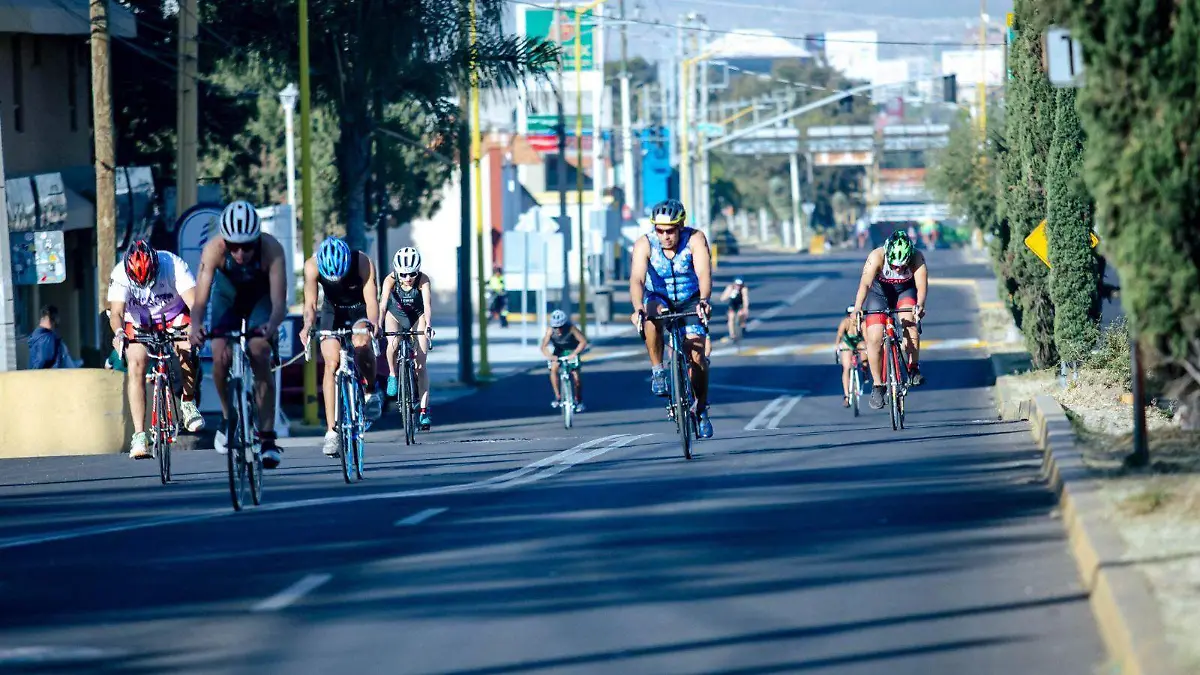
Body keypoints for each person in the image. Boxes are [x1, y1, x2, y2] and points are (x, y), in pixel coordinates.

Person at [189, 200, 288, 468]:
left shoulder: (272, 249)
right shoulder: (213, 250)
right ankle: (227, 416)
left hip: (260, 299)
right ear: (225, 242)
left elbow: (279, 303)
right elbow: (200, 299)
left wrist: (273, 325)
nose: (240, 252)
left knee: (259, 351)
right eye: (234, 246)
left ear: (257, 240)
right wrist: (195, 325)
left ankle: (267, 436)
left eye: (247, 246)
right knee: (221, 355)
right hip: (227, 298)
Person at [629, 198, 715, 439]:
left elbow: (703, 272)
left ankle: (701, 408)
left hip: (690, 298)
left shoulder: (695, 239)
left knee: (697, 355)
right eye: (660, 230)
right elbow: (636, 279)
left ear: (681, 226)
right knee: (650, 315)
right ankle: (658, 370)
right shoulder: (644, 244)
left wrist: (704, 300)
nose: (665, 236)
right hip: (660, 297)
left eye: (671, 230)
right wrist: (638, 308)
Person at [110, 241, 204, 459]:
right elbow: (116, 313)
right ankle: (139, 435)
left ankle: (188, 403)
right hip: (139, 320)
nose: (145, 286)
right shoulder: (120, 274)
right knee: (135, 364)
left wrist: (196, 327)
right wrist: (118, 333)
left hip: (172, 314)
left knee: (187, 348)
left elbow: (194, 303)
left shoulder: (173, 264)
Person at [300, 236, 383, 458]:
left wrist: (373, 324)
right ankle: (331, 432)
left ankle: (370, 391)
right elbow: (309, 304)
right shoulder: (312, 266)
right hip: (332, 310)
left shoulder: (362, 262)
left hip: (359, 308)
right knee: (331, 363)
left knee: (361, 343)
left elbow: (372, 301)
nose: (337, 282)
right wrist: (307, 326)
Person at [852, 230, 928, 410]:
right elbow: (865, 283)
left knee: (910, 323)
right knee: (874, 337)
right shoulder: (876, 256)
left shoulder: (917, 257)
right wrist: (857, 308)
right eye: (895, 266)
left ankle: (913, 368)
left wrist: (920, 305)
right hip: (880, 294)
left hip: (905, 292)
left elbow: (921, 286)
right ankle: (878, 386)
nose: (899, 269)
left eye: (903, 266)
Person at [380, 247, 434, 431]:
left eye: (412, 273)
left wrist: (428, 326)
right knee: (393, 344)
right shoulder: (390, 280)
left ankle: (424, 410)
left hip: (417, 316)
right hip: (395, 315)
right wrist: (378, 324)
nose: (407, 278)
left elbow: (427, 305)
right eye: (403, 274)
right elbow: (382, 305)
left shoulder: (423, 280)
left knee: (421, 363)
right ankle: (393, 375)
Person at [540, 309, 589, 411]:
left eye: (560, 327)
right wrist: (550, 356)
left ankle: (578, 399)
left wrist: (575, 353)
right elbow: (543, 347)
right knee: (553, 369)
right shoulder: (550, 331)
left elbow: (583, 341)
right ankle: (557, 396)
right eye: (556, 327)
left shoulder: (571, 328)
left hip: (571, 349)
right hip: (559, 350)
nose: (558, 330)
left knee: (576, 376)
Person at [834, 305, 868, 407]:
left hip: (859, 342)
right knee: (847, 367)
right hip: (848, 343)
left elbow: (866, 338)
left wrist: (867, 349)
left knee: (864, 349)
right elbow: (840, 335)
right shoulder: (845, 322)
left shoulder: (862, 323)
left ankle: (865, 369)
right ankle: (847, 395)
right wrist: (837, 347)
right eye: (851, 315)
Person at [28, 305, 79, 370]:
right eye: (55, 317)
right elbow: (42, 360)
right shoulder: (47, 338)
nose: (57, 321)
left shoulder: (38, 337)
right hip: (52, 377)